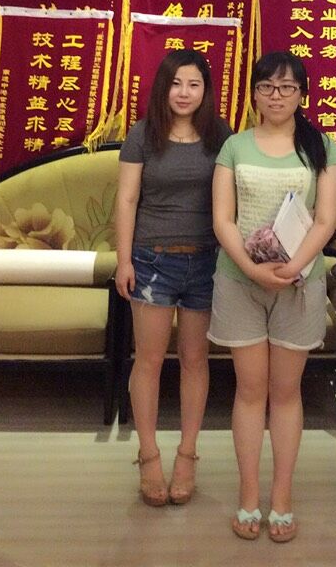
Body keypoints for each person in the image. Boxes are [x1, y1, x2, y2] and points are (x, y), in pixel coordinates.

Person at [209, 51, 336, 543]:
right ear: (254, 94)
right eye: (267, 87)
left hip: (298, 283)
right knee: (249, 391)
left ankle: (281, 497)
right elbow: (223, 218)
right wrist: (251, 269)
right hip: (239, 280)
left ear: (303, 94)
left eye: (288, 87)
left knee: (286, 393)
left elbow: (326, 220)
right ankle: (249, 495)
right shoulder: (234, 146)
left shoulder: (321, 147)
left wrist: (292, 267)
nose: (277, 96)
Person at [115, 48, 231, 507]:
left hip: (206, 262)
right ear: (163, 88)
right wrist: (124, 261)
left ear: (206, 91)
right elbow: (127, 200)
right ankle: (148, 456)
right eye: (176, 83)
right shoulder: (143, 134)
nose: (184, 93)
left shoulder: (221, 135)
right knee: (148, 360)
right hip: (151, 260)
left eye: (194, 84)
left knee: (195, 360)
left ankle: (187, 455)